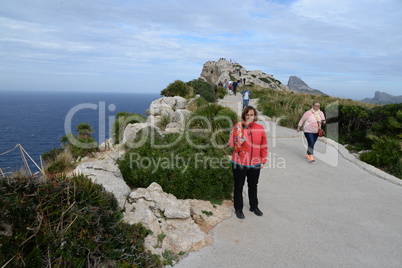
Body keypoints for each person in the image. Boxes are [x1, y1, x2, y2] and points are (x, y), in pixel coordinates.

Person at [229, 106, 268, 219]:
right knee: (238, 186)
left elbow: (264, 146)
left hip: (255, 163)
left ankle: (254, 206)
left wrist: (263, 160)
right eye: (247, 114)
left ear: (255, 116)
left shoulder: (260, 128)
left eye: (252, 114)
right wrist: (235, 133)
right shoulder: (238, 127)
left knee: (253, 185)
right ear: (244, 116)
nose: (249, 116)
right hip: (239, 162)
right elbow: (232, 144)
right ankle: (238, 209)